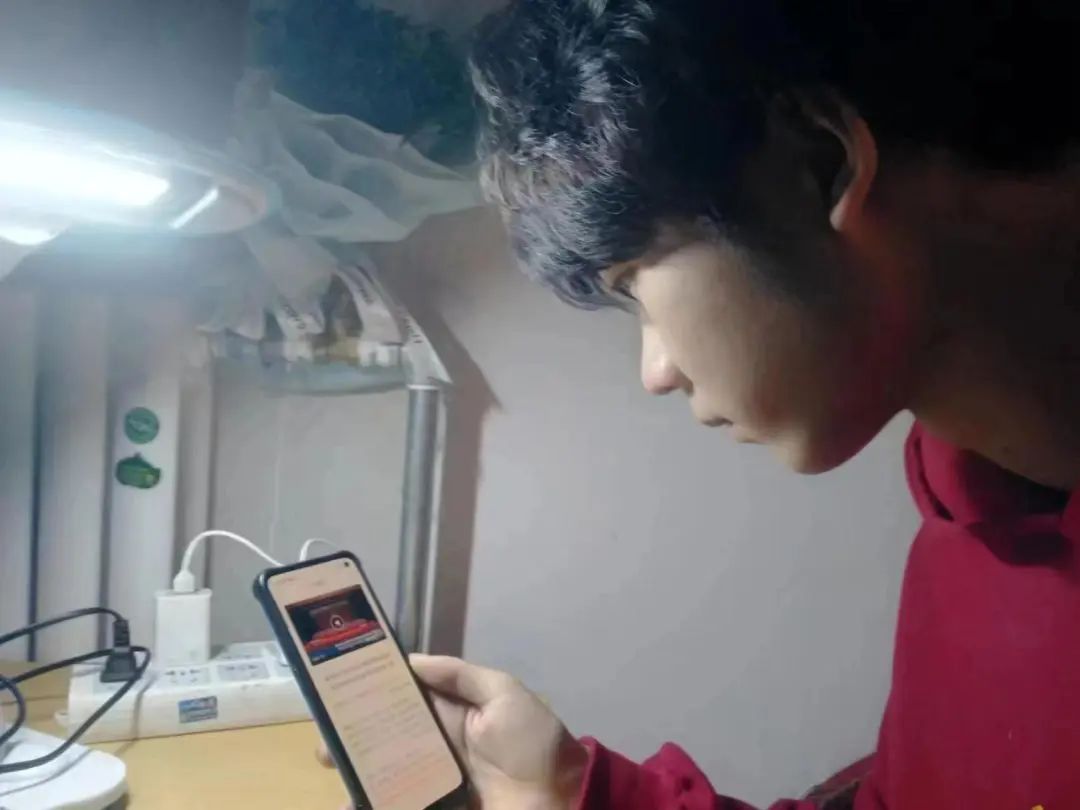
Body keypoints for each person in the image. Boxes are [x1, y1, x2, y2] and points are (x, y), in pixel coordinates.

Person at [326, 1, 1080, 807]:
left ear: (817, 165)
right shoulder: (974, 530)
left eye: (633, 286)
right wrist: (576, 790)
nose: (655, 372)